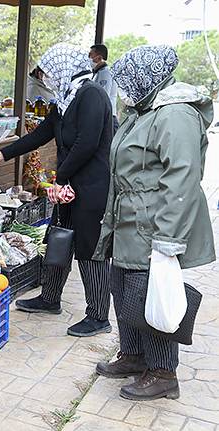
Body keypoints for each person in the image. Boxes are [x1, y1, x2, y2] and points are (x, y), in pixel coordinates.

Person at [94, 45, 215, 401]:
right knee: (122, 286)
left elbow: (182, 177)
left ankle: (163, 372)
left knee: (151, 295)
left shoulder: (174, 114)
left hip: (154, 223)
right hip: (130, 218)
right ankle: (133, 356)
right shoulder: (143, 110)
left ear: (147, 78)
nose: (126, 89)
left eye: (130, 81)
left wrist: (168, 237)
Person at [0, 43, 114, 337]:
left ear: (65, 68)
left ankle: (99, 315)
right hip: (68, 186)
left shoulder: (92, 95)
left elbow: (86, 144)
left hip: (90, 188)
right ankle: (50, 298)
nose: (47, 78)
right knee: (59, 239)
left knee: (90, 249)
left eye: (51, 72)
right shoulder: (64, 101)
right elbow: (39, 135)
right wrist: (0, 155)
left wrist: (60, 178)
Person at [89, 44, 119, 132]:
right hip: (103, 116)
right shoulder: (97, 73)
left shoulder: (105, 73)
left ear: (99, 58)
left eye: (91, 55)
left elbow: (102, 96)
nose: (89, 58)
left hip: (107, 118)